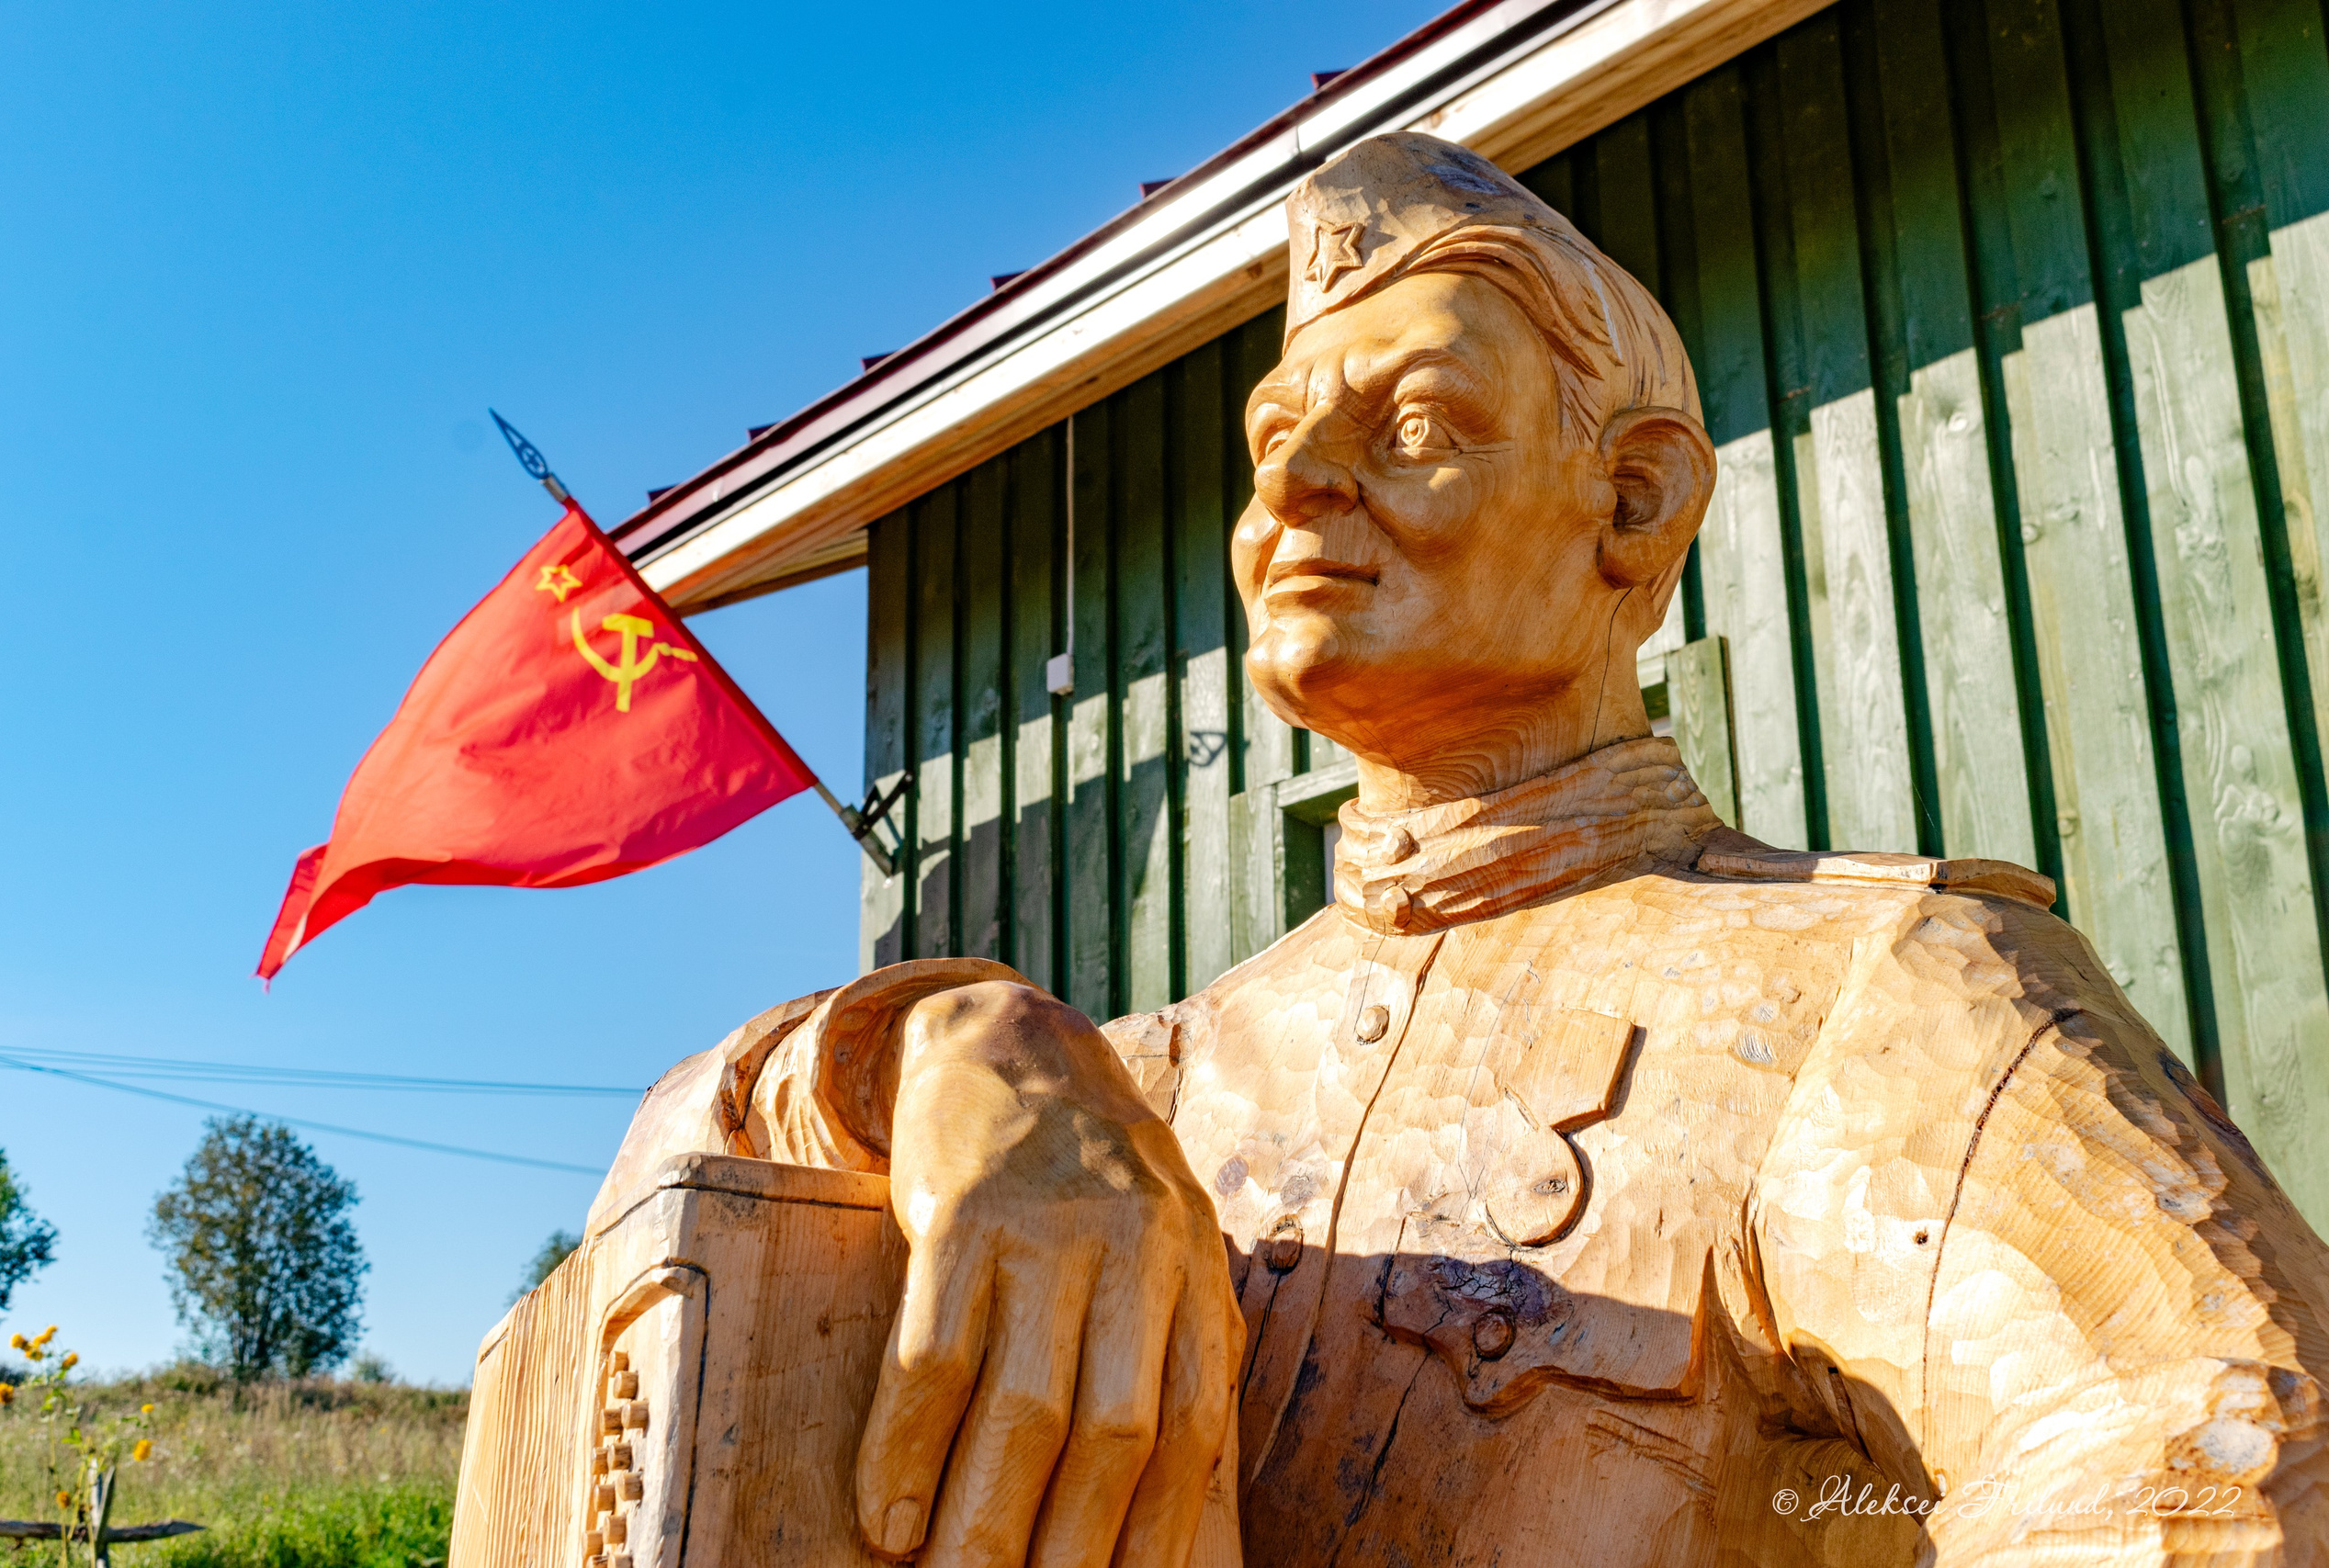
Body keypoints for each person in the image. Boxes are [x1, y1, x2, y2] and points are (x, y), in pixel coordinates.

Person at [706, 133, 2329, 1565]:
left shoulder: (1890, 996)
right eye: (1274, 438)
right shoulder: (1158, 1082)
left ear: (1631, 501)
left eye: (1415, 421)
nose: (1298, 487)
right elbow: (669, 1238)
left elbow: (2232, 1473)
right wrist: (941, 1041)